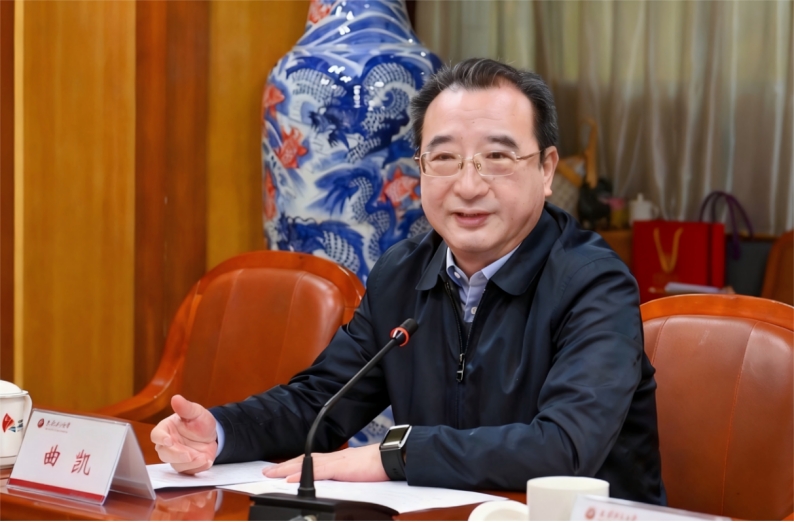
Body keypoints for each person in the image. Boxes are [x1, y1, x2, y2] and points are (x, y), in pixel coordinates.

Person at [151, 58, 665, 504]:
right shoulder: (403, 273)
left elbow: (565, 448)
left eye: (497, 157)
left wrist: (395, 454)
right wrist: (219, 432)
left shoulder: (595, 284)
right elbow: (320, 403)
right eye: (443, 158)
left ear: (546, 170)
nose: (468, 185)